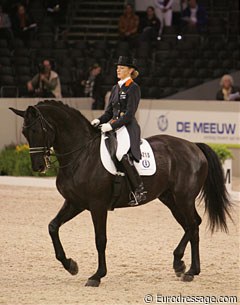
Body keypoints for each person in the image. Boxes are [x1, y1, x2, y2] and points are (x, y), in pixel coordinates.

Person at [91, 56, 146, 205]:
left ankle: (139, 190)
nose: (118, 70)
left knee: (121, 153)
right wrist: (99, 120)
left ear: (130, 70)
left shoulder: (133, 87)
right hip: (115, 126)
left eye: (122, 68)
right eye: (117, 68)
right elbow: (109, 113)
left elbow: (129, 114)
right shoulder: (115, 88)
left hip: (128, 127)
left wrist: (111, 126)